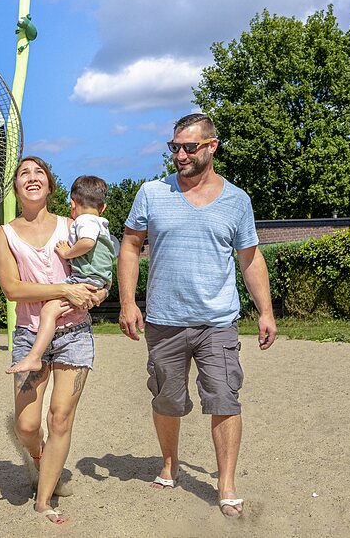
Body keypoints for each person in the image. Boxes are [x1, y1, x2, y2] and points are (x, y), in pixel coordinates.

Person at [117, 113, 277, 518]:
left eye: (189, 147)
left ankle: (225, 484)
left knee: (224, 397)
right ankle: (169, 463)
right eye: (175, 147)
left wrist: (266, 311)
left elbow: (250, 258)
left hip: (217, 322)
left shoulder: (237, 200)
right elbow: (131, 246)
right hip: (164, 321)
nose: (181, 154)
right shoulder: (151, 193)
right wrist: (128, 302)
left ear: (212, 146)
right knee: (168, 398)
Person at [0, 156, 108, 525]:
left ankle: (44, 500)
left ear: (50, 186)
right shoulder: (4, 234)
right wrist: (63, 288)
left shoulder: (73, 226)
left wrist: (99, 293)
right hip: (30, 335)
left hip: (75, 333)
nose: (31, 177)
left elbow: (97, 264)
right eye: (24, 173)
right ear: (16, 187)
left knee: (60, 418)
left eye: (38, 172)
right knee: (26, 425)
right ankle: (43, 461)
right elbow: (12, 288)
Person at [6, 174, 118, 375]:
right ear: (103, 208)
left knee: (49, 311)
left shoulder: (82, 222)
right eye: (25, 173)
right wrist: (103, 288)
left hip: (81, 293)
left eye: (39, 172)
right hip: (95, 281)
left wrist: (67, 252)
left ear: (72, 204)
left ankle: (34, 357)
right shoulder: (102, 224)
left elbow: (87, 243)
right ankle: (35, 355)